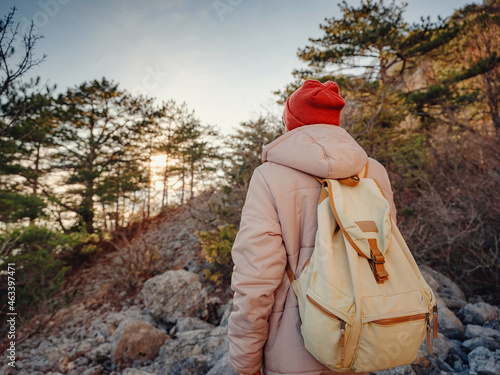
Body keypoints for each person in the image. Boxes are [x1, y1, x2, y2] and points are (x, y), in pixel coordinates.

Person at [227, 80, 397, 375]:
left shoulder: (269, 176)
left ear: (291, 123)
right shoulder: (374, 171)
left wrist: (246, 362)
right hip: (361, 339)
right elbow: (385, 252)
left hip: (292, 350)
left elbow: (256, 279)